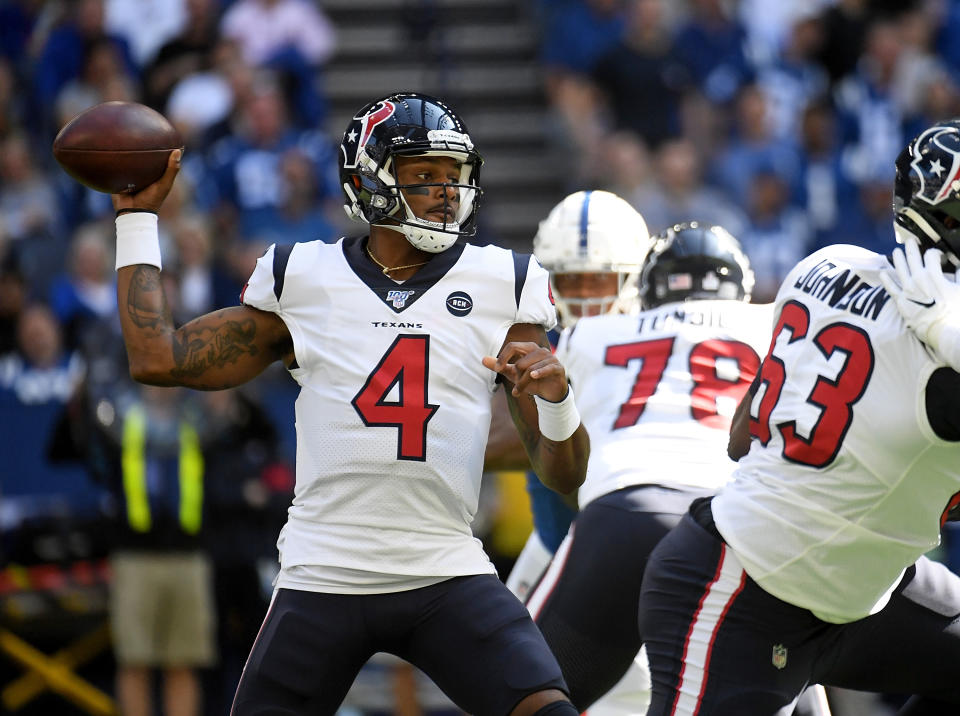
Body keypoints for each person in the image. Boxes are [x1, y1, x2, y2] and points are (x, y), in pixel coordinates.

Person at [108, 91, 589, 716]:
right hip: (325, 572)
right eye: (425, 176)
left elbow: (564, 475)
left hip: (444, 567)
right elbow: (157, 358)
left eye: (454, 177)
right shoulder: (304, 277)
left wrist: (557, 400)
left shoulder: (504, 283)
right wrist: (137, 221)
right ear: (372, 180)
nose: (447, 193)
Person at [636, 120, 960, 715]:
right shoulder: (941, 353)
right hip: (741, 595)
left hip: (856, 593)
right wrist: (943, 331)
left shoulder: (829, 262)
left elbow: (743, 436)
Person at [526, 220, 773, 714]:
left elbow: (541, 439)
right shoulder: (773, 323)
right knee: (786, 678)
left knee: (517, 692)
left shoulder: (589, 335)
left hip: (624, 510)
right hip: (734, 521)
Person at [491, 189, 649, 603]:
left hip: (636, 555)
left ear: (634, 277)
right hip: (553, 547)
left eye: (599, 276)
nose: (583, 293)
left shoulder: (656, 343)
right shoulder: (531, 339)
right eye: (570, 277)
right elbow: (498, 439)